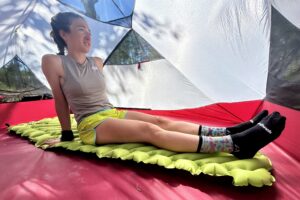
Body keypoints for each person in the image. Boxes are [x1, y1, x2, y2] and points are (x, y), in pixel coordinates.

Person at [42, 12, 286, 159]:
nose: (88, 35)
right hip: (90, 125)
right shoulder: (53, 62)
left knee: (160, 121)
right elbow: (60, 99)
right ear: (64, 34)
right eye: (81, 29)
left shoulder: (97, 61)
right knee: (150, 133)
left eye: (89, 30)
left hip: (111, 111)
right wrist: (66, 135)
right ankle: (235, 145)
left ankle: (231, 131)